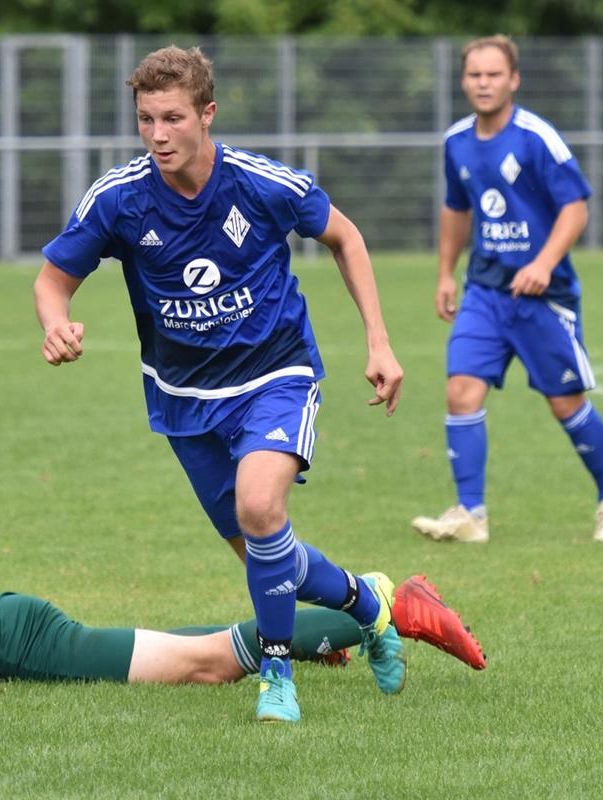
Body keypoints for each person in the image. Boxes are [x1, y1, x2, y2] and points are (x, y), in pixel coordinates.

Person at [32, 46, 406, 723]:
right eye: (145, 120)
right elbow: (53, 279)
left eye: (173, 118)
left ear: (207, 114)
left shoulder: (261, 183)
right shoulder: (119, 199)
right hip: (185, 401)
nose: (158, 135)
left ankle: (277, 675)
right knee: (266, 552)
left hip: (276, 376)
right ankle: (367, 601)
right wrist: (56, 322)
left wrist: (379, 342)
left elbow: (345, 238)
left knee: (260, 509)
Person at [0, 470, 484, 700]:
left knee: (207, 665)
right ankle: (328, 632)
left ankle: (384, 603)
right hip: (0, 640)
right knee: (186, 645)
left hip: (17, 643)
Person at [411, 35, 603, 545]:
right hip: (485, 292)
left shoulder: (537, 138)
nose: (483, 83)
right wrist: (446, 272)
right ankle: (471, 514)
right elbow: (456, 209)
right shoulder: (456, 141)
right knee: (461, 390)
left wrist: (543, 263)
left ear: (514, 80)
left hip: (542, 297)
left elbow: (576, 208)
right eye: (475, 75)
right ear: (464, 80)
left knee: (566, 404)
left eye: (493, 75)